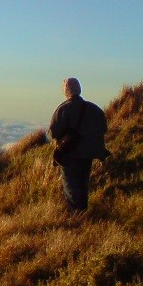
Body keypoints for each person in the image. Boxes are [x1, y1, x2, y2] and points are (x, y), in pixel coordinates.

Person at [49, 77, 109, 214]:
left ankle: (77, 216)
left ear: (65, 91)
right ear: (79, 89)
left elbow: (54, 132)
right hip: (88, 153)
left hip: (70, 154)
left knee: (71, 186)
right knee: (83, 184)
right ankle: (84, 211)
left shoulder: (63, 109)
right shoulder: (94, 109)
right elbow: (103, 128)